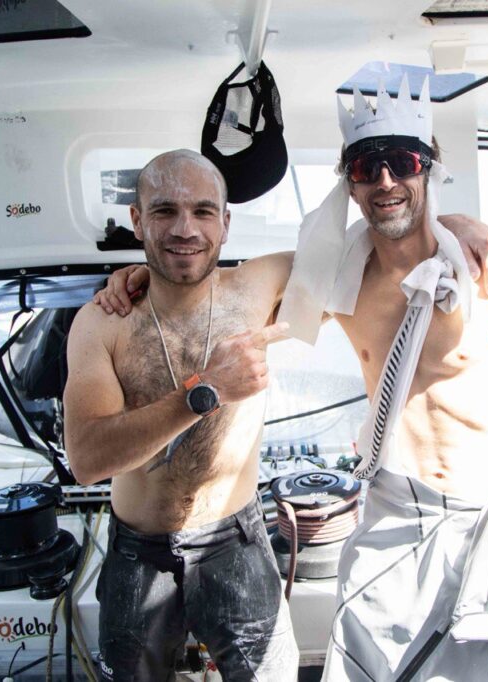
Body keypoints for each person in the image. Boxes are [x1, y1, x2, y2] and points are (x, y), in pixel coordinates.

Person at [97, 79, 488, 680]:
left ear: (429, 170)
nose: (385, 180)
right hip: (395, 515)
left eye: (403, 162)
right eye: (366, 166)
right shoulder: (340, 281)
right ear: (350, 184)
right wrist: (139, 276)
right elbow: (219, 294)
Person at [64, 150, 299, 680]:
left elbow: (366, 256)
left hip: (235, 540)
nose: (185, 229)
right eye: (165, 210)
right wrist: (205, 389)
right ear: (137, 220)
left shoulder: (258, 287)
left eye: (203, 211)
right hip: (138, 550)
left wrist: (454, 227)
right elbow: (87, 459)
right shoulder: (103, 323)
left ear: (226, 222)